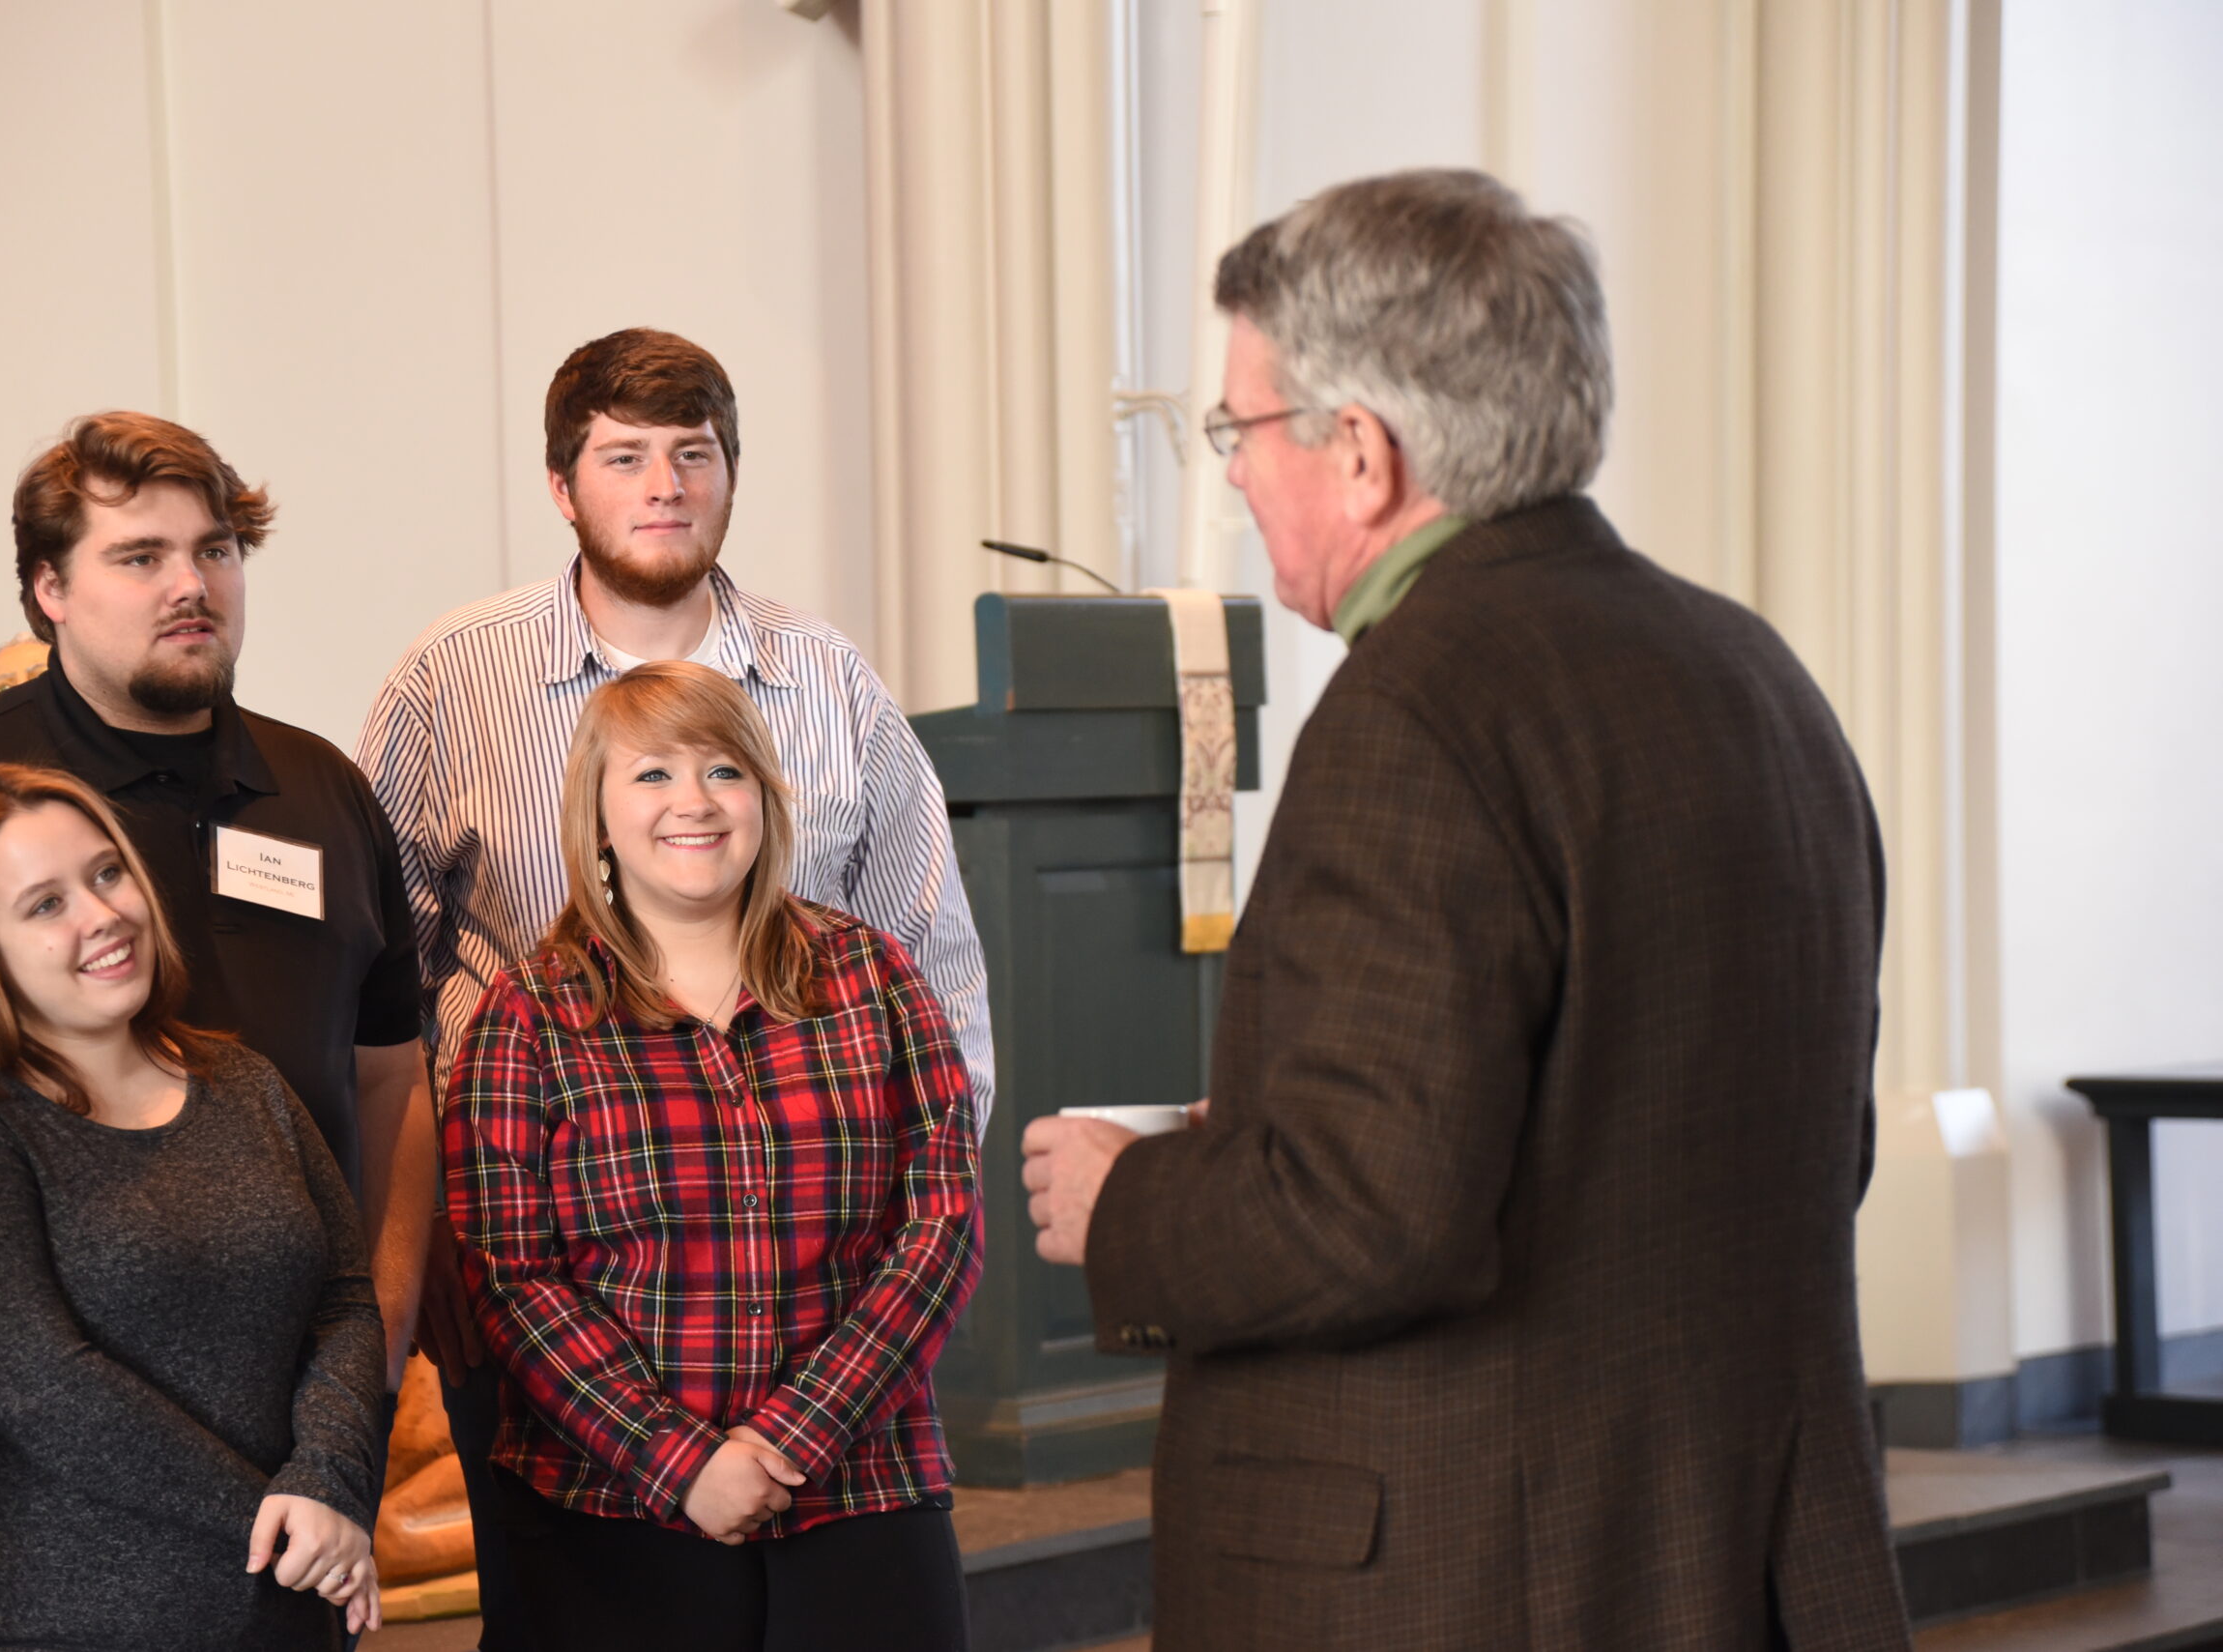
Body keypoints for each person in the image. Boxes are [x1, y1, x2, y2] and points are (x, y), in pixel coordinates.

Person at [1021, 170, 1910, 1650]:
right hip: (1719, 1552)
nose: (1233, 476)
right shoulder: (1752, 674)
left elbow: (1373, 1217)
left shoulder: (1421, 705)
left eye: (1240, 429)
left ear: (1362, 454)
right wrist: (1276, 1132)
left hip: (1478, 1574)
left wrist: (1135, 1201)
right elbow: (1781, 1144)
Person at [356, 327, 993, 1644]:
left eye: (693, 454)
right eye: (625, 456)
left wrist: (893, 1281)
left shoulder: (830, 680)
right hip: (546, 1289)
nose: (663, 485)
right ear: (561, 484)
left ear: (731, 474)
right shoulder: (451, 676)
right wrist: (425, 1238)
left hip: (836, 1309)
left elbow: (932, 960)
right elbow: (378, 981)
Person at [0, 412, 433, 1389]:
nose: (191, 584)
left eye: (215, 550)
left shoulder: (324, 789)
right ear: (51, 588)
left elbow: (390, 1078)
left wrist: (381, 1330)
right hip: (28, 1407)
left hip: (304, 1389)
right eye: (141, 556)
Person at [445, 661, 978, 1651]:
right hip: (608, 1509)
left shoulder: (873, 976)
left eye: (723, 769)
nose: (693, 800)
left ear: (764, 798)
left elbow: (940, 1228)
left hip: (861, 1484)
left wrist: (792, 1435)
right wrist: (679, 1462)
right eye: (652, 773)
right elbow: (511, 1276)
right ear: (597, 814)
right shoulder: (528, 1014)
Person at [0, 764, 385, 1647]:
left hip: (270, 1608)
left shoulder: (245, 1081)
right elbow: (42, 1388)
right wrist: (290, 1528)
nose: (101, 914)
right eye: (45, 904)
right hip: (25, 1621)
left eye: (107, 872)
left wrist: (327, 1481)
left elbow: (344, 1298)